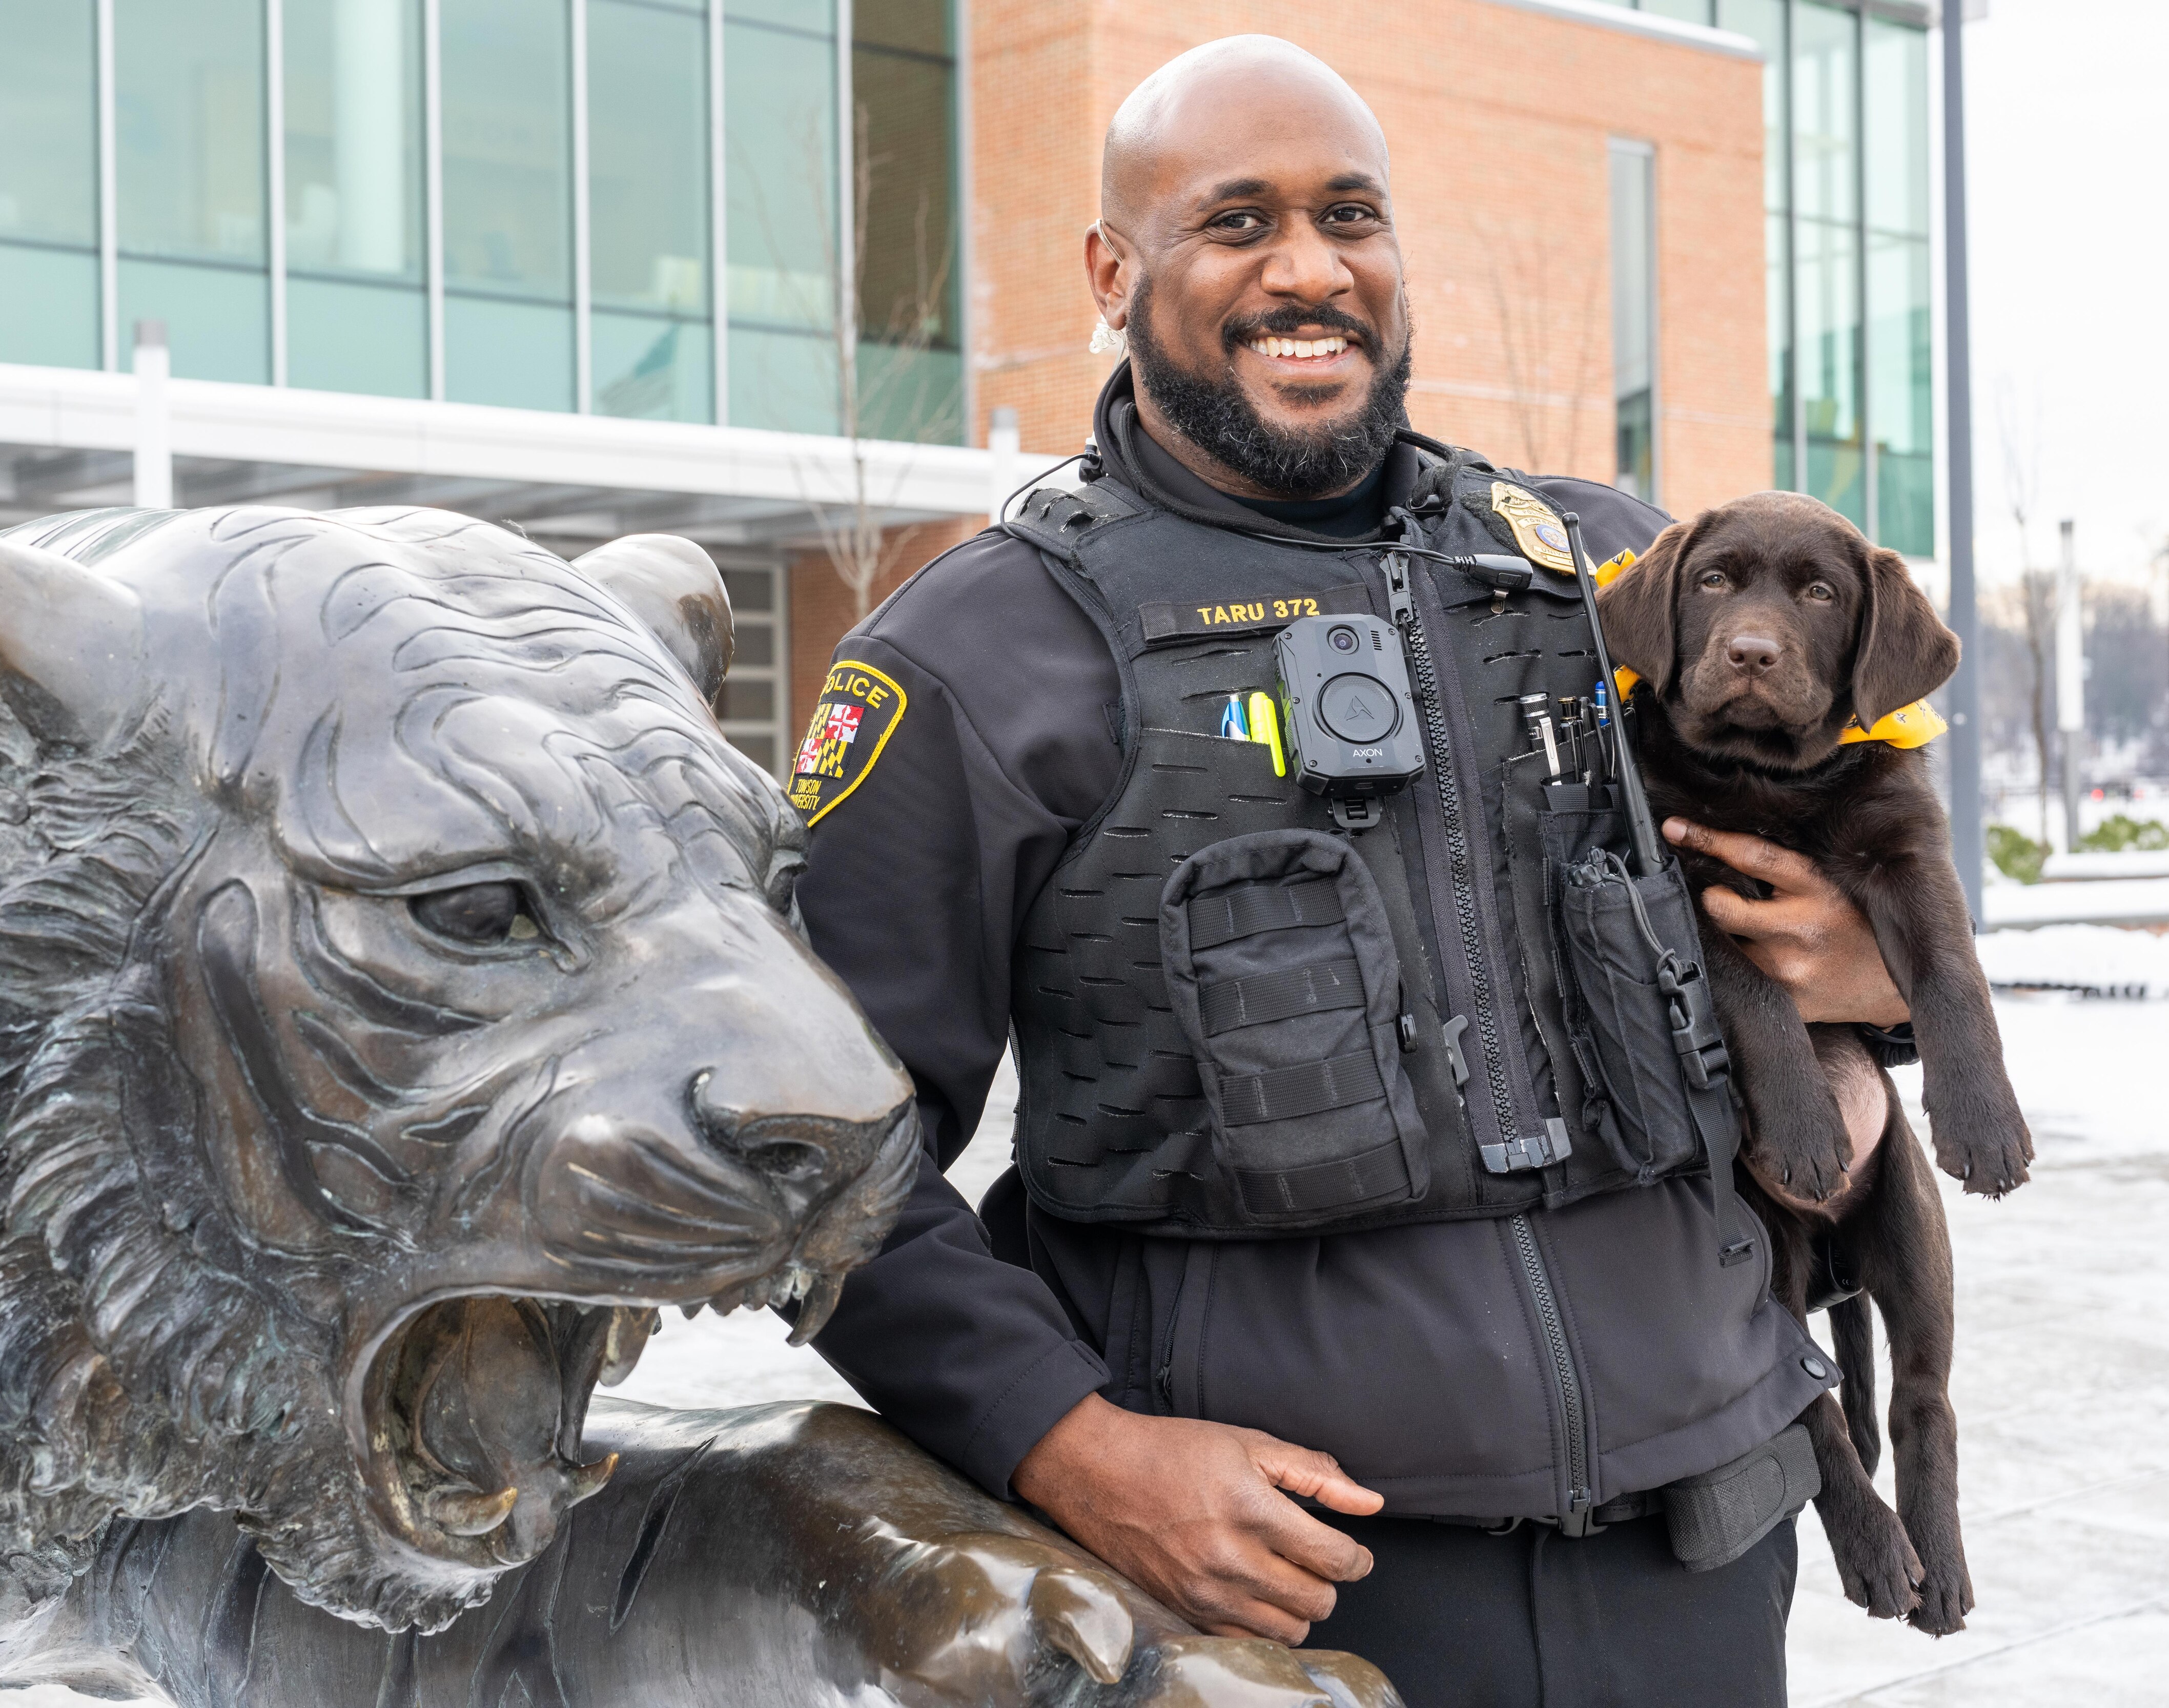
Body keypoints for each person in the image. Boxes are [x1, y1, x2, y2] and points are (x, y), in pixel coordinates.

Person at [791, 35, 1914, 1707]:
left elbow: (1852, 861)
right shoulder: (975, 657)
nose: (1308, 270)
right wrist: (1071, 1444)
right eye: (1234, 221)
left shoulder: (1601, 569)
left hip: (1701, 1552)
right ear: (1113, 270)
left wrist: (1868, 1006)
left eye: (1351, 217)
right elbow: (815, 1162)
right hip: (1284, 1616)